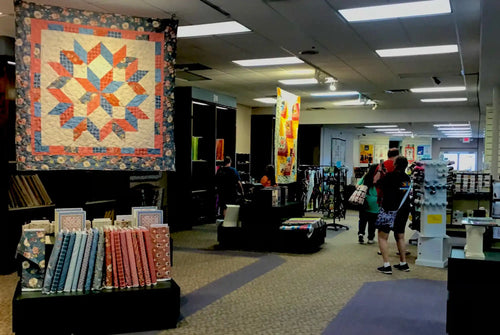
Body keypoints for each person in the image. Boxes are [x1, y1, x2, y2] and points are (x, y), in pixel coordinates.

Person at [377, 156, 411, 274]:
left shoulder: (390, 176)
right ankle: (403, 263)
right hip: (403, 210)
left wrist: (380, 171)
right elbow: (399, 190)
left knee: (382, 237)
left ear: (395, 164)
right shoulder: (407, 178)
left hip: (388, 210)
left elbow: (377, 183)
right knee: (400, 236)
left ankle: (386, 265)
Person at [357, 164, 379, 244]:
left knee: (362, 219)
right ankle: (370, 238)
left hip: (365, 200)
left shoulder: (366, 177)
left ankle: (361, 233)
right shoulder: (379, 178)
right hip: (375, 202)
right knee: (372, 221)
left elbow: (357, 185)